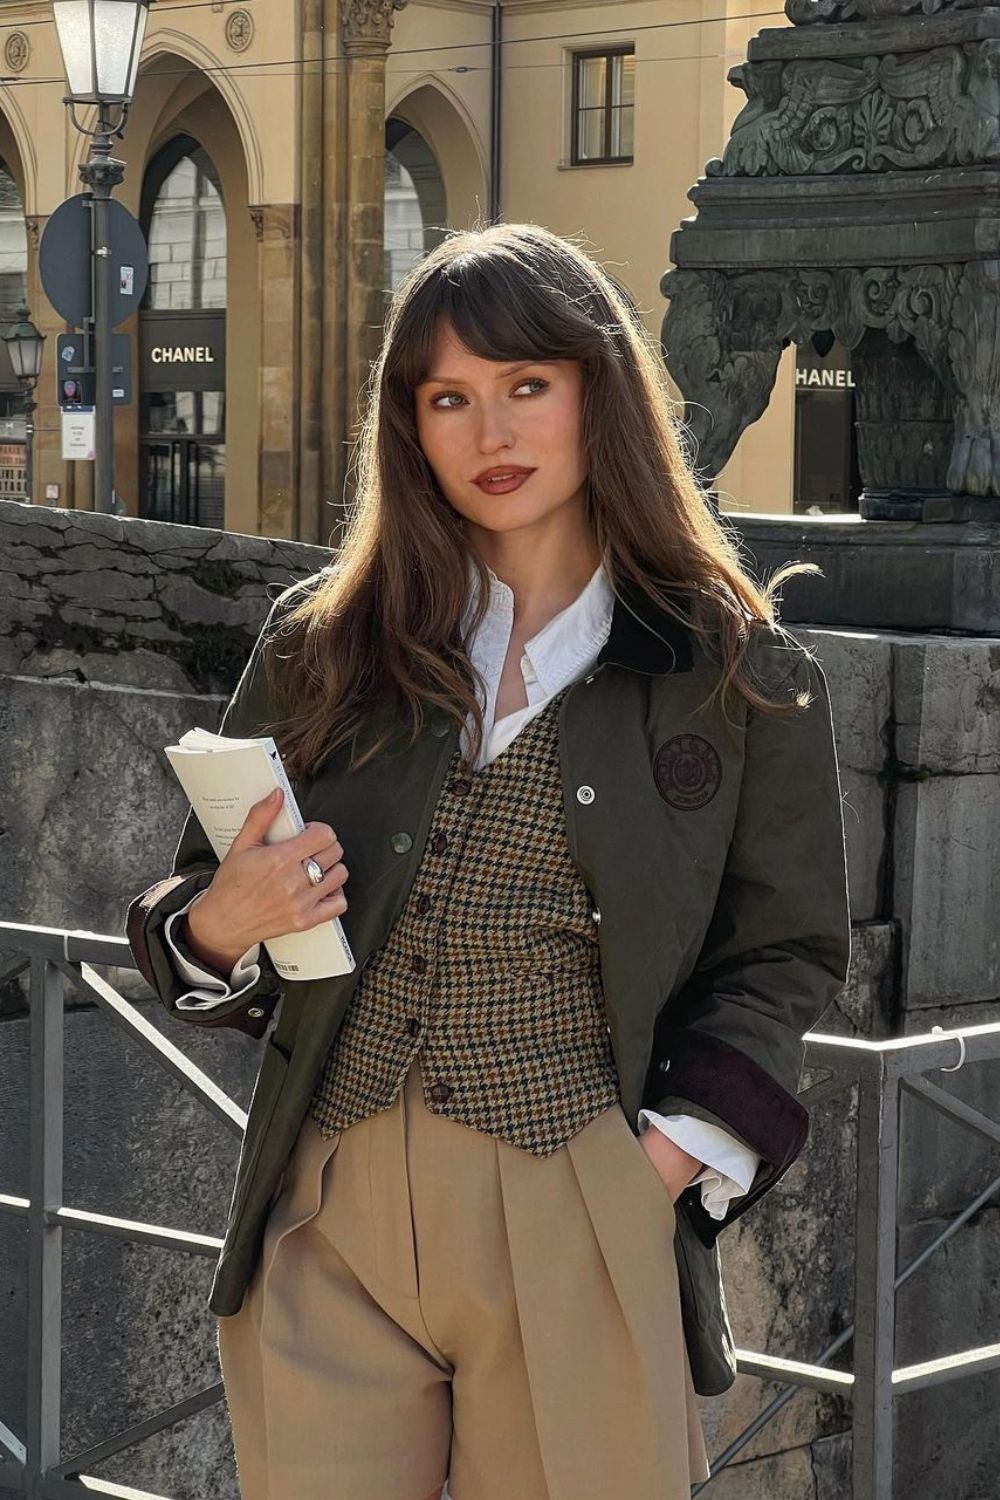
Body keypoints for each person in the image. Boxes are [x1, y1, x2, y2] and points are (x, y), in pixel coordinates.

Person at [126, 221, 852, 1500]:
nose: (490, 434)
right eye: (448, 399)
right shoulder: (326, 647)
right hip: (327, 1210)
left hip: (577, 1194)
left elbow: (787, 949)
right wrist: (223, 921)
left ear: (597, 395)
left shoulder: (735, 674)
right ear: (410, 428)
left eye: (526, 387)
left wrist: (657, 1167)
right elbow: (186, 910)